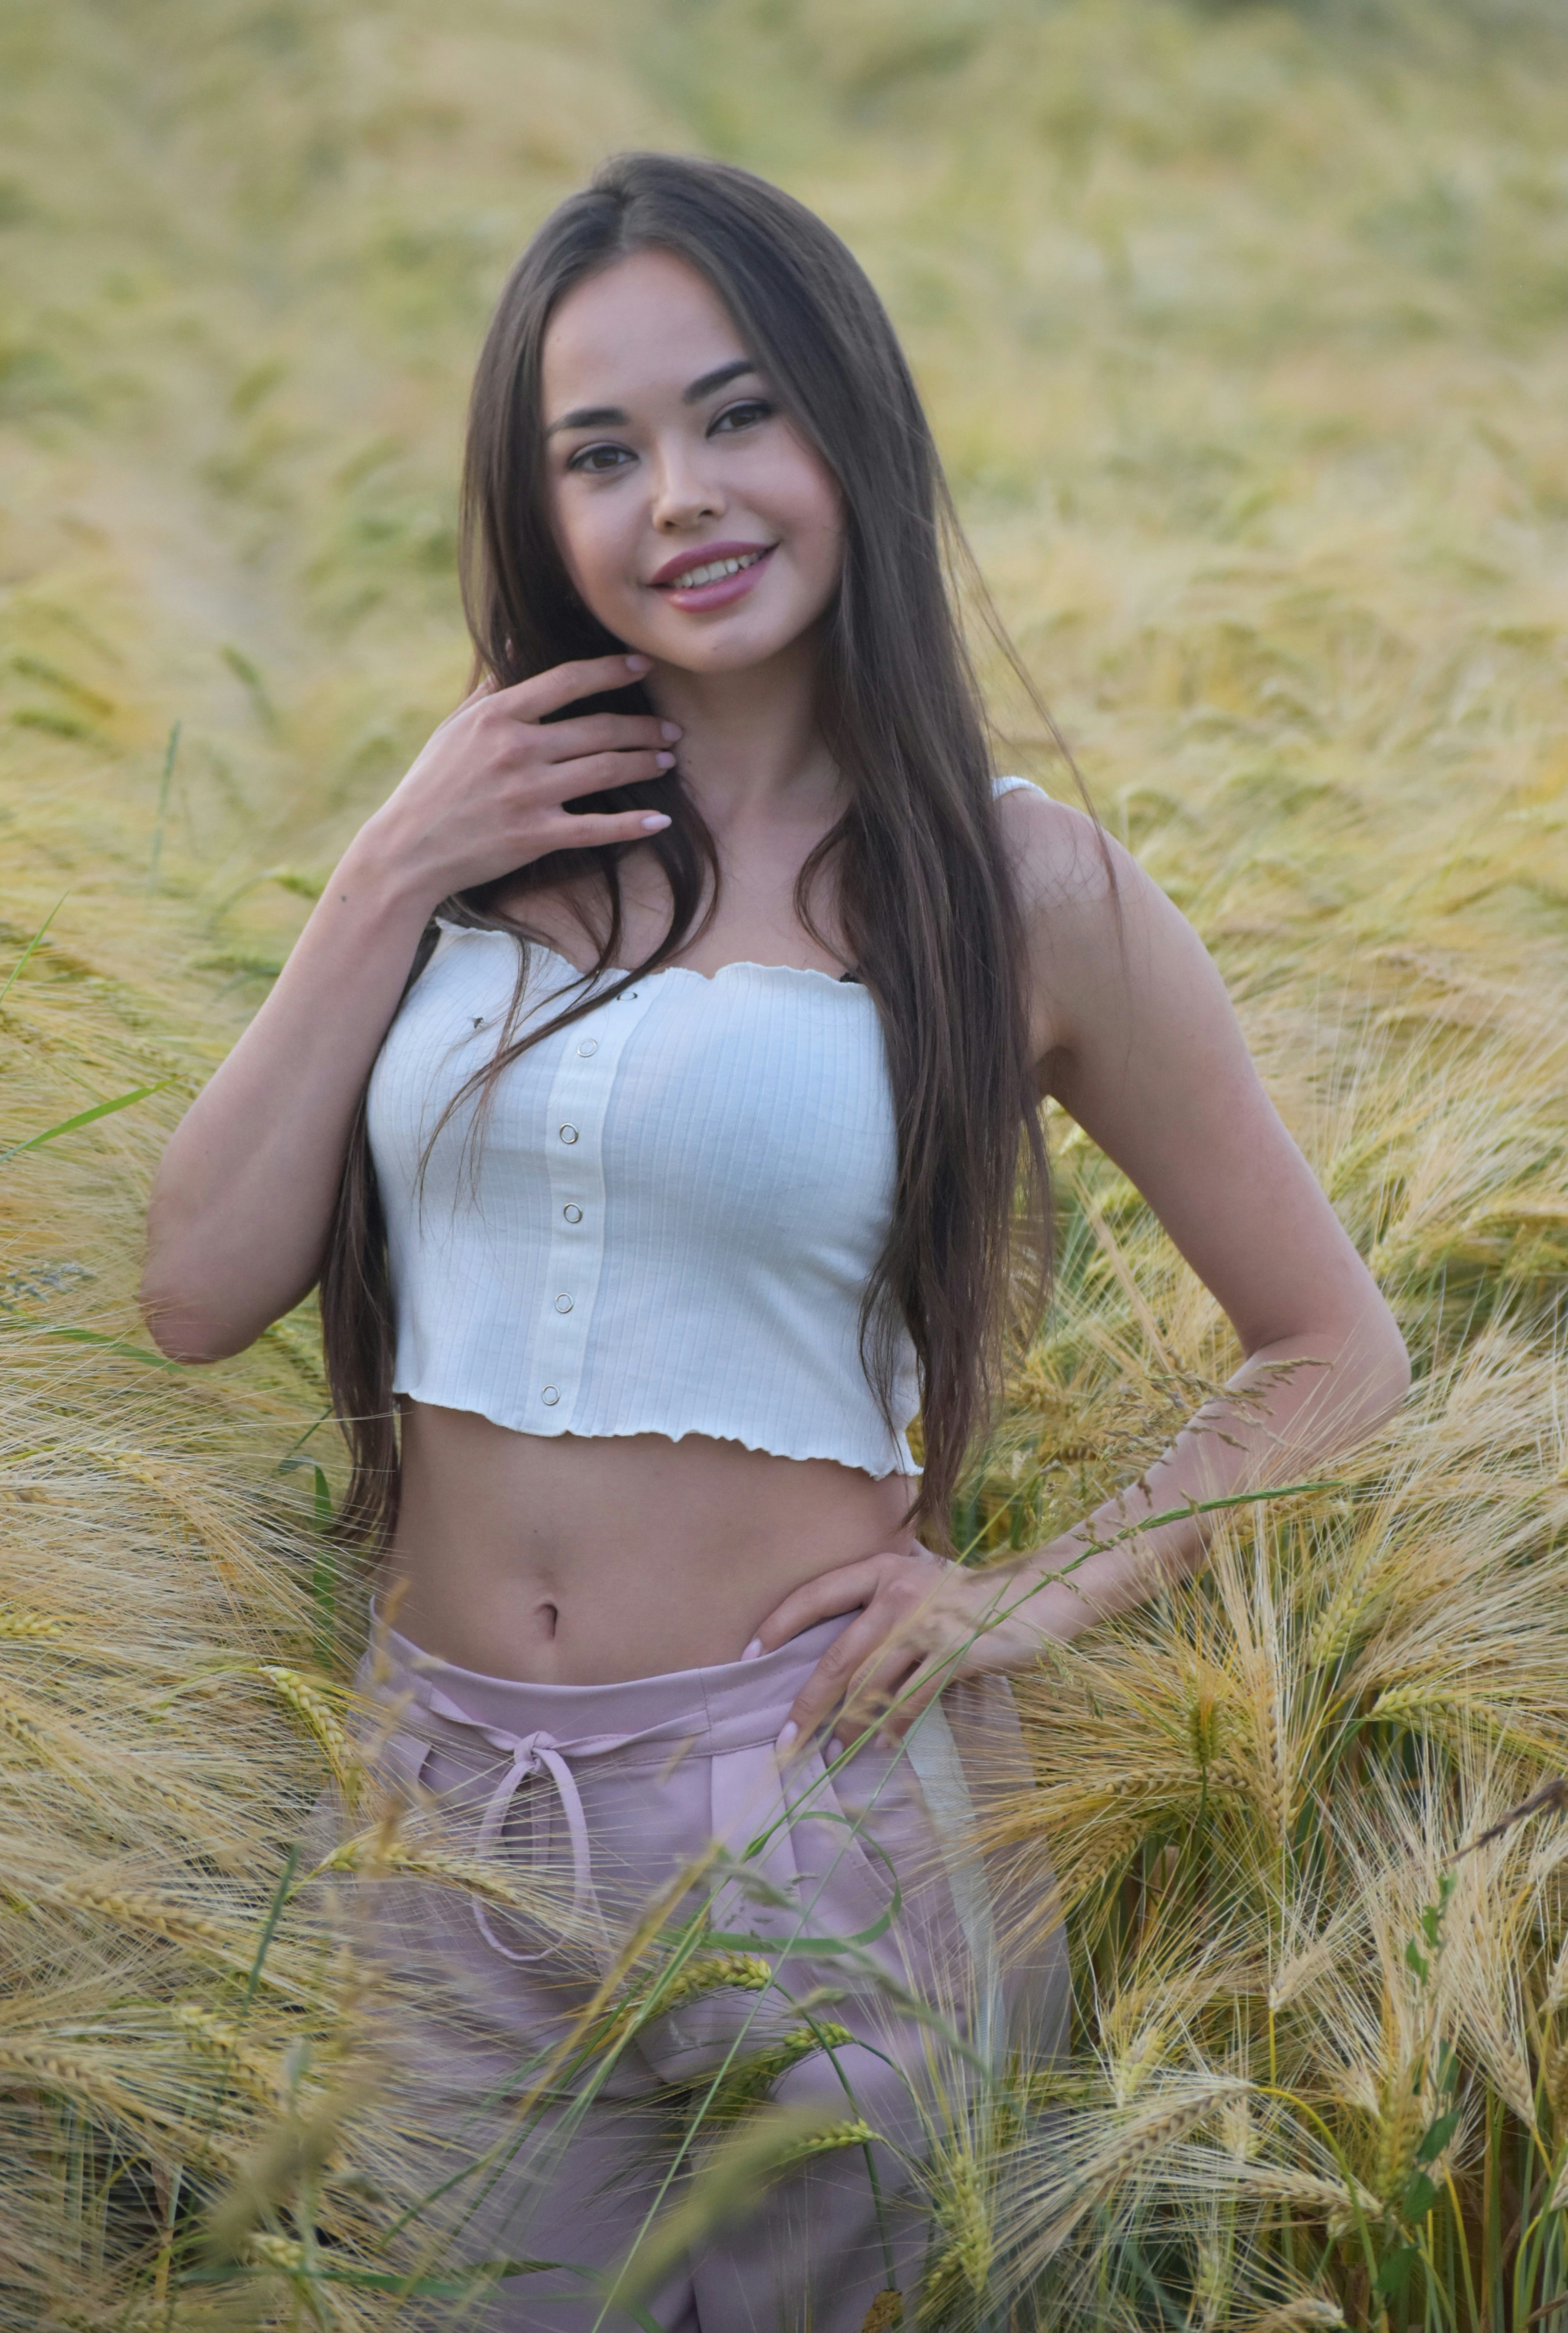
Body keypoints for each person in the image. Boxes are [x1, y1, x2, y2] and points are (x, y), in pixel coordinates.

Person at [141, 153, 1409, 2333]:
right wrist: (382, 867)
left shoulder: (1022, 893)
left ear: (852, 430)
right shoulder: (467, 855)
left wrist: (1021, 1597)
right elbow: (193, 1285)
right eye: (600, 453)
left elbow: (1331, 1350)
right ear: (538, 511)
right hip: (445, 1821)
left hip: (812, 1826)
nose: (680, 500)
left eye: (739, 416)